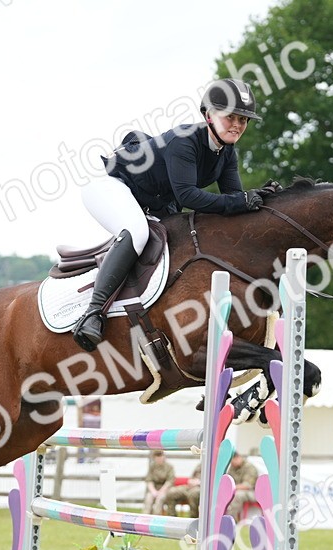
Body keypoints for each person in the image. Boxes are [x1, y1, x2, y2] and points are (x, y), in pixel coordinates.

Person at [72, 78, 267, 351]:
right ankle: (93, 314)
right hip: (112, 187)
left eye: (243, 120)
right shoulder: (185, 141)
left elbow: (234, 202)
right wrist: (239, 202)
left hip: (154, 202)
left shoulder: (227, 153)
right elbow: (188, 196)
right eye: (230, 117)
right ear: (209, 115)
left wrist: (264, 201)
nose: (237, 125)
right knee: (137, 232)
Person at [225, 452, 258, 521]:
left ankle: (231, 521)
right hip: (236, 490)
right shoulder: (233, 467)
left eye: (233, 460)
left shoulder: (249, 467)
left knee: (237, 495)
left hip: (252, 492)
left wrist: (232, 488)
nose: (232, 463)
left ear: (238, 458)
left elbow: (247, 485)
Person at [142, 450, 175, 515]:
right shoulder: (152, 466)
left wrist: (161, 491)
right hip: (154, 488)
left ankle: (156, 518)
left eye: (160, 456)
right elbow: (149, 480)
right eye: (157, 457)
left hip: (165, 489)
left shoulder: (169, 467)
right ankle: (145, 518)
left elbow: (169, 481)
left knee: (159, 499)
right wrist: (153, 491)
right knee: (148, 498)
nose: (159, 458)